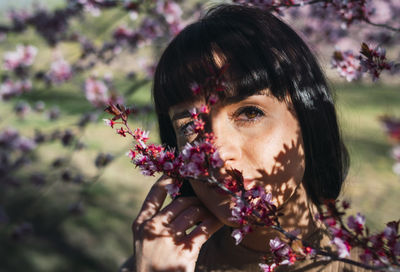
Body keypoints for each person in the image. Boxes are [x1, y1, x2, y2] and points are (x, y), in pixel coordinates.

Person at [121, 4, 366, 272]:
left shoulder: (366, 265)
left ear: (309, 121)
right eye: (189, 125)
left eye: (250, 113)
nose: (218, 154)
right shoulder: (156, 263)